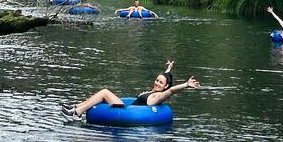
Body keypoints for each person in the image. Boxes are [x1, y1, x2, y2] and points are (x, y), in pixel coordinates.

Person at [63, 60, 199, 118]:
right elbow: (166, 80)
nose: (157, 83)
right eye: (156, 80)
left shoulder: (158, 96)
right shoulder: (155, 91)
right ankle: (75, 107)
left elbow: (171, 90)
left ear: (165, 86)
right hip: (127, 107)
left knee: (104, 92)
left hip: (127, 111)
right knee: (98, 96)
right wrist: (169, 69)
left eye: (160, 82)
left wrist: (186, 85)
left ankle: (77, 113)